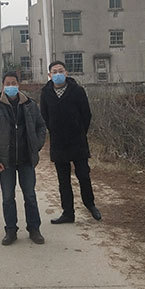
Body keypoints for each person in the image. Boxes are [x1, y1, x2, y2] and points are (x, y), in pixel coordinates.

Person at [0, 71, 47, 245]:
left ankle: (34, 229)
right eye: (8, 84)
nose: (11, 86)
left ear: (19, 85)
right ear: (3, 86)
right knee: (8, 197)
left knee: (30, 195)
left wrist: (36, 145)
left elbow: (41, 126)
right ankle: (10, 230)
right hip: (5, 162)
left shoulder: (30, 105)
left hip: (26, 160)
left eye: (14, 83)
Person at [40, 60, 101, 224]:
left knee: (83, 175)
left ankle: (90, 205)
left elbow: (86, 114)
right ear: (49, 75)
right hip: (58, 143)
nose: (58, 74)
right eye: (54, 72)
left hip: (77, 141)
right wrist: (54, 129)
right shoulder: (45, 93)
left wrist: (80, 131)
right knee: (63, 180)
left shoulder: (77, 90)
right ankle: (68, 213)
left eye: (61, 71)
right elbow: (44, 115)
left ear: (66, 73)